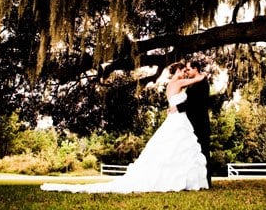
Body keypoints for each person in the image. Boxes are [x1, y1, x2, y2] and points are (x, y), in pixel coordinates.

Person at [40, 62, 208, 193]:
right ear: (176, 72)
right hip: (177, 120)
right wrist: (203, 74)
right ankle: (176, 179)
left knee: (176, 150)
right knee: (176, 149)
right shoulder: (178, 83)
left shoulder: (174, 84)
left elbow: (181, 98)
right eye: (182, 71)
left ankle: (181, 179)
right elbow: (197, 79)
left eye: (185, 71)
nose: (184, 73)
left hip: (177, 118)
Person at [177, 60, 212, 188]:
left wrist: (178, 108)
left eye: (189, 69)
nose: (187, 72)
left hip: (200, 122)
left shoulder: (202, 83)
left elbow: (196, 102)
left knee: (203, 151)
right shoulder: (192, 84)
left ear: (196, 69)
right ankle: (195, 181)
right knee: (193, 152)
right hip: (190, 123)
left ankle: (206, 181)